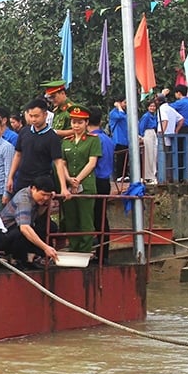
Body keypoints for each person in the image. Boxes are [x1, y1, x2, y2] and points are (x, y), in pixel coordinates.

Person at [59, 106, 101, 253]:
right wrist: (69, 179)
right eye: (74, 122)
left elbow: (92, 162)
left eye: (80, 122)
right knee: (70, 218)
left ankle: (84, 249)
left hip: (86, 184)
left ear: (86, 123)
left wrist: (78, 179)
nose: (76, 125)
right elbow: (62, 163)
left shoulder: (93, 140)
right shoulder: (66, 141)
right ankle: (74, 246)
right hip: (69, 185)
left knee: (86, 219)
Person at [7, 98, 70, 197]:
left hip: (41, 183)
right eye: (31, 116)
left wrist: (63, 188)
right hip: (22, 181)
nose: (33, 119)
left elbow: (58, 163)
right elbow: (18, 155)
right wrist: (10, 177)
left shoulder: (52, 137)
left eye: (36, 116)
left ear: (45, 115)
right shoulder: (24, 132)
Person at [0, 176, 59, 270]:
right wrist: (45, 247)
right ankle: (17, 259)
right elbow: (24, 228)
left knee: (51, 226)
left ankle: (36, 257)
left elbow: (38, 215)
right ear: (33, 188)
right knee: (21, 233)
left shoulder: (36, 197)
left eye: (48, 195)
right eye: (43, 194)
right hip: (7, 233)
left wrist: (46, 203)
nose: (45, 197)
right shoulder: (24, 199)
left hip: (23, 226)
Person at [88, 108, 114, 262]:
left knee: (94, 217)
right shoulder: (108, 139)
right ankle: (103, 254)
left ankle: (100, 255)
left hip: (95, 180)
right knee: (101, 218)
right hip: (105, 181)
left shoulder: (93, 140)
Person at [155, 93, 184, 182]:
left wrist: (162, 132)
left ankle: (162, 179)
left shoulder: (161, 109)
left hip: (163, 138)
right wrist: (176, 131)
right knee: (169, 161)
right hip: (171, 138)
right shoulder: (171, 109)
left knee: (160, 160)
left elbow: (165, 120)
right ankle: (168, 178)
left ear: (159, 101)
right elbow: (181, 119)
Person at [109, 96, 129, 181]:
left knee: (125, 158)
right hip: (118, 139)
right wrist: (119, 107)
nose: (126, 105)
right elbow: (120, 117)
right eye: (124, 102)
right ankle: (119, 176)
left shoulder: (124, 112)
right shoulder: (114, 113)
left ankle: (125, 174)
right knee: (120, 158)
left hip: (125, 139)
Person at [138, 99, 159, 183]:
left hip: (153, 133)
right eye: (151, 106)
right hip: (147, 134)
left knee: (154, 155)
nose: (152, 108)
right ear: (147, 107)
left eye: (153, 106)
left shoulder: (154, 116)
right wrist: (141, 137)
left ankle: (153, 173)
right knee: (148, 155)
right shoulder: (146, 116)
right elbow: (141, 127)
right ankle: (148, 175)